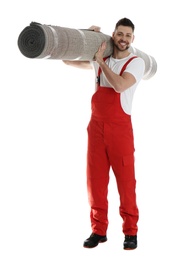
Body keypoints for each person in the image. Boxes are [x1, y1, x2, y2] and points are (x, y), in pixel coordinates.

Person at [63, 18, 145, 250]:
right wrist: (85, 35)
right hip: (96, 129)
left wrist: (100, 62)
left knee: (126, 183)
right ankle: (98, 231)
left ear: (132, 39)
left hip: (120, 131)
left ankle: (131, 232)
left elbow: (119, 85)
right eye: (120, 34)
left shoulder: (135, 63)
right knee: (95, 182)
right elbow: (67, 60)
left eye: (127, 35)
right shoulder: (102, 60)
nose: (123, 39)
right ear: (113, 34)